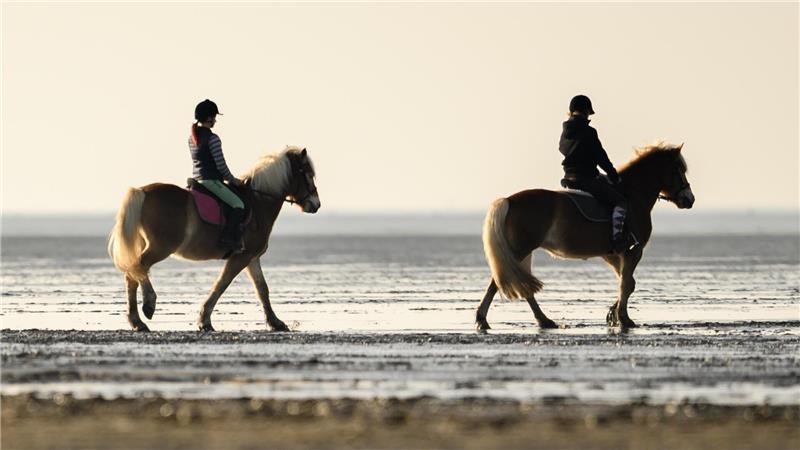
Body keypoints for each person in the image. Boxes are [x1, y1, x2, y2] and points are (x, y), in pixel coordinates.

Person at [558, 95, 630, 253]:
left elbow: (565, 150)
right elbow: (600, 156)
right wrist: (613, 175)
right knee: (620, 203)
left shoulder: (564, 132)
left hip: (568, 178)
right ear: (586, 112)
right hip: (586, 179)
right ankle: (617, 239)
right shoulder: (589, 132)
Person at [189, 99, 246, 253]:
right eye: (214, 117)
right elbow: (220, 166)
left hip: (197, 181)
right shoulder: (213, 139)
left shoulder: (192, 138)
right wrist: (233, 180)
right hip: (211, 182)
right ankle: (228, 238)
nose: (215, 120)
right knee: (238, 205)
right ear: (209, 118)